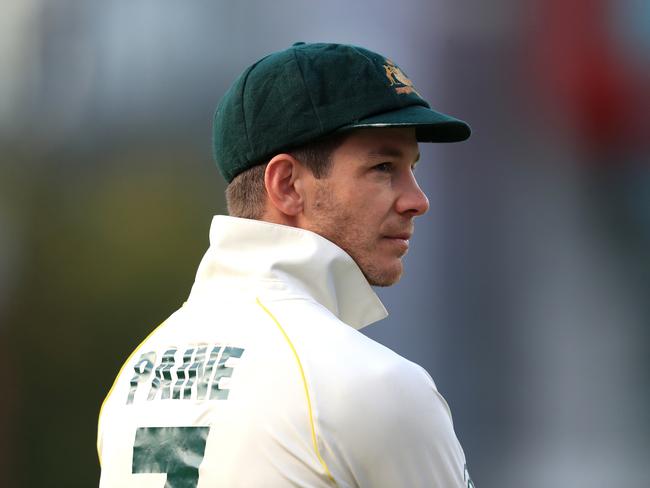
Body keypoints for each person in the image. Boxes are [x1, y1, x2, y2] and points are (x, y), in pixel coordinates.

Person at [97, 42, 474, 487]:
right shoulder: (375, 386)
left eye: (411, 167)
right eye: (383, 166)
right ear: (287, 185)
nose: (418, 200)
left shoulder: (136, 375)